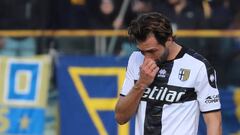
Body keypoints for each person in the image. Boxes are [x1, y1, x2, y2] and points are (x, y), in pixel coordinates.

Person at [115, 12, 222, 135]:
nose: (147, 58)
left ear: (169, 40)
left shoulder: (198, 66)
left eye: (152, 51)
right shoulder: (135, 59)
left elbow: (214, 121)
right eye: (142, 52)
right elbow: (120, 117)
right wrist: (141, 84)